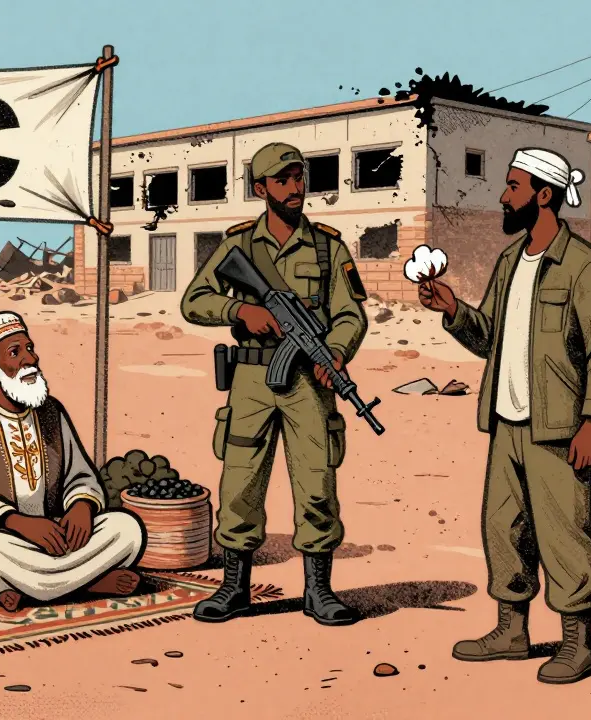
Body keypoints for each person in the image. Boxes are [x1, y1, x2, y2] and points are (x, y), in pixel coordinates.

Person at [420, 148, 591, 684]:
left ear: (543, 194)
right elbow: (489, 335)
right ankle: (511, 632)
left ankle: (577, 644)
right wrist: (453, 310)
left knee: (564, 535)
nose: (502, 196)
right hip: (506, 423)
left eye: (512, 186)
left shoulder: (583, 264)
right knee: (504, 530)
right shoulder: (510, 261)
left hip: (559, 428)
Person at [181, 142, 369, 625]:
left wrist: (338, 353)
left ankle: (319, 592)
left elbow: (350, 314)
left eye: (299, 178)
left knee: (316, 483)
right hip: (250, 380)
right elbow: (194, 300)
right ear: (260, 188)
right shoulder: (240, 245)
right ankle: (233, 588)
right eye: (282, 181)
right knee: (240, 482)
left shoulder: (328, 246)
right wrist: (241, 310)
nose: (295, 188)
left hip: (309, 381)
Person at [0, 311, 144, 612]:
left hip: (52, 535)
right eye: (15, 353)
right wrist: (17, 522)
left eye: (29, 349)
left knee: (126, 528)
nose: (30, 360)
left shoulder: (50, 411)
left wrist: (81, 508)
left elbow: (79, 476)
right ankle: (85, 583)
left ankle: (33, 589)